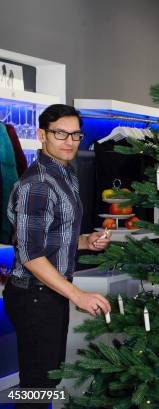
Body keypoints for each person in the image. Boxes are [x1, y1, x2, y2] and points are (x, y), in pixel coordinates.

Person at [2, 104, 112, 407]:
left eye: (75, 135)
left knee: (48, 378)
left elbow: (52, 238)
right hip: (35, 294)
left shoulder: (65, 175)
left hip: (49, 291)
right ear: (42, 135)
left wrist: (87, 241)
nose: (69, 141)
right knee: (38, 383)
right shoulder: (36, 185)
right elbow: (31, 254)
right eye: (60, 133)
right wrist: (78, 295)